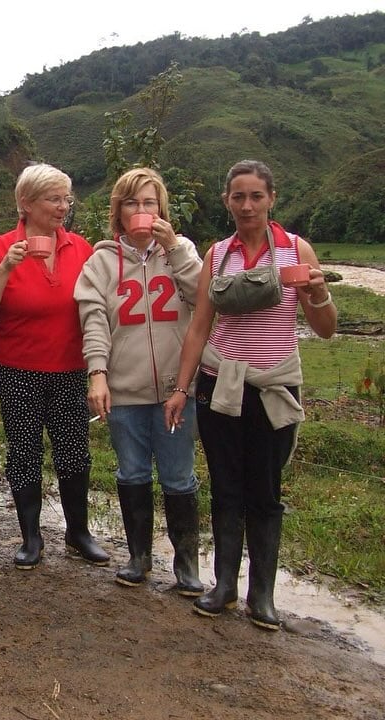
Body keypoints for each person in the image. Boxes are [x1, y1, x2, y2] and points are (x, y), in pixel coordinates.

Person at [164, 159, 337, 630]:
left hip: (274, 386)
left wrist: (318, 292)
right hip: (220, 384)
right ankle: (223, 586)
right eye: (237, 196)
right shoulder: (218, 255)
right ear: (227, 201)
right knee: (225, 485)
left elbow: (325, 330)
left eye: (255, 196)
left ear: (271, 199)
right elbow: (200, 326)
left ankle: (262, 595)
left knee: (265, 489)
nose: (246, 205)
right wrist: (182, 388)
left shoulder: (296, 250)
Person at [0, 164, 109, 569]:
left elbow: (98, 306)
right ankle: (31, 538)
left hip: (68, 367)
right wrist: (6, 268)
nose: (63, 206)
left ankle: (78, 533)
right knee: (24, 452)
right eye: (54, 198)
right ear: (25, 203)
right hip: (17, 369)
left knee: (73, 452)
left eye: (67, 198)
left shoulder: (81, 248)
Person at [74, 167, 204, 595]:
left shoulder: (181, 252)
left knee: (178, 476)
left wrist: (175, 249)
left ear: (162, 209)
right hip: (125, 390)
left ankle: (187, 566)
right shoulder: (101, 261)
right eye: (133, 203)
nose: (142, 211)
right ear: (119, 211)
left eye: (150, 203)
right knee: (131, 471)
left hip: (175, 390)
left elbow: (205, 301)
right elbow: (93, 320)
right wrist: (98, 374)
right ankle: (139, 558)